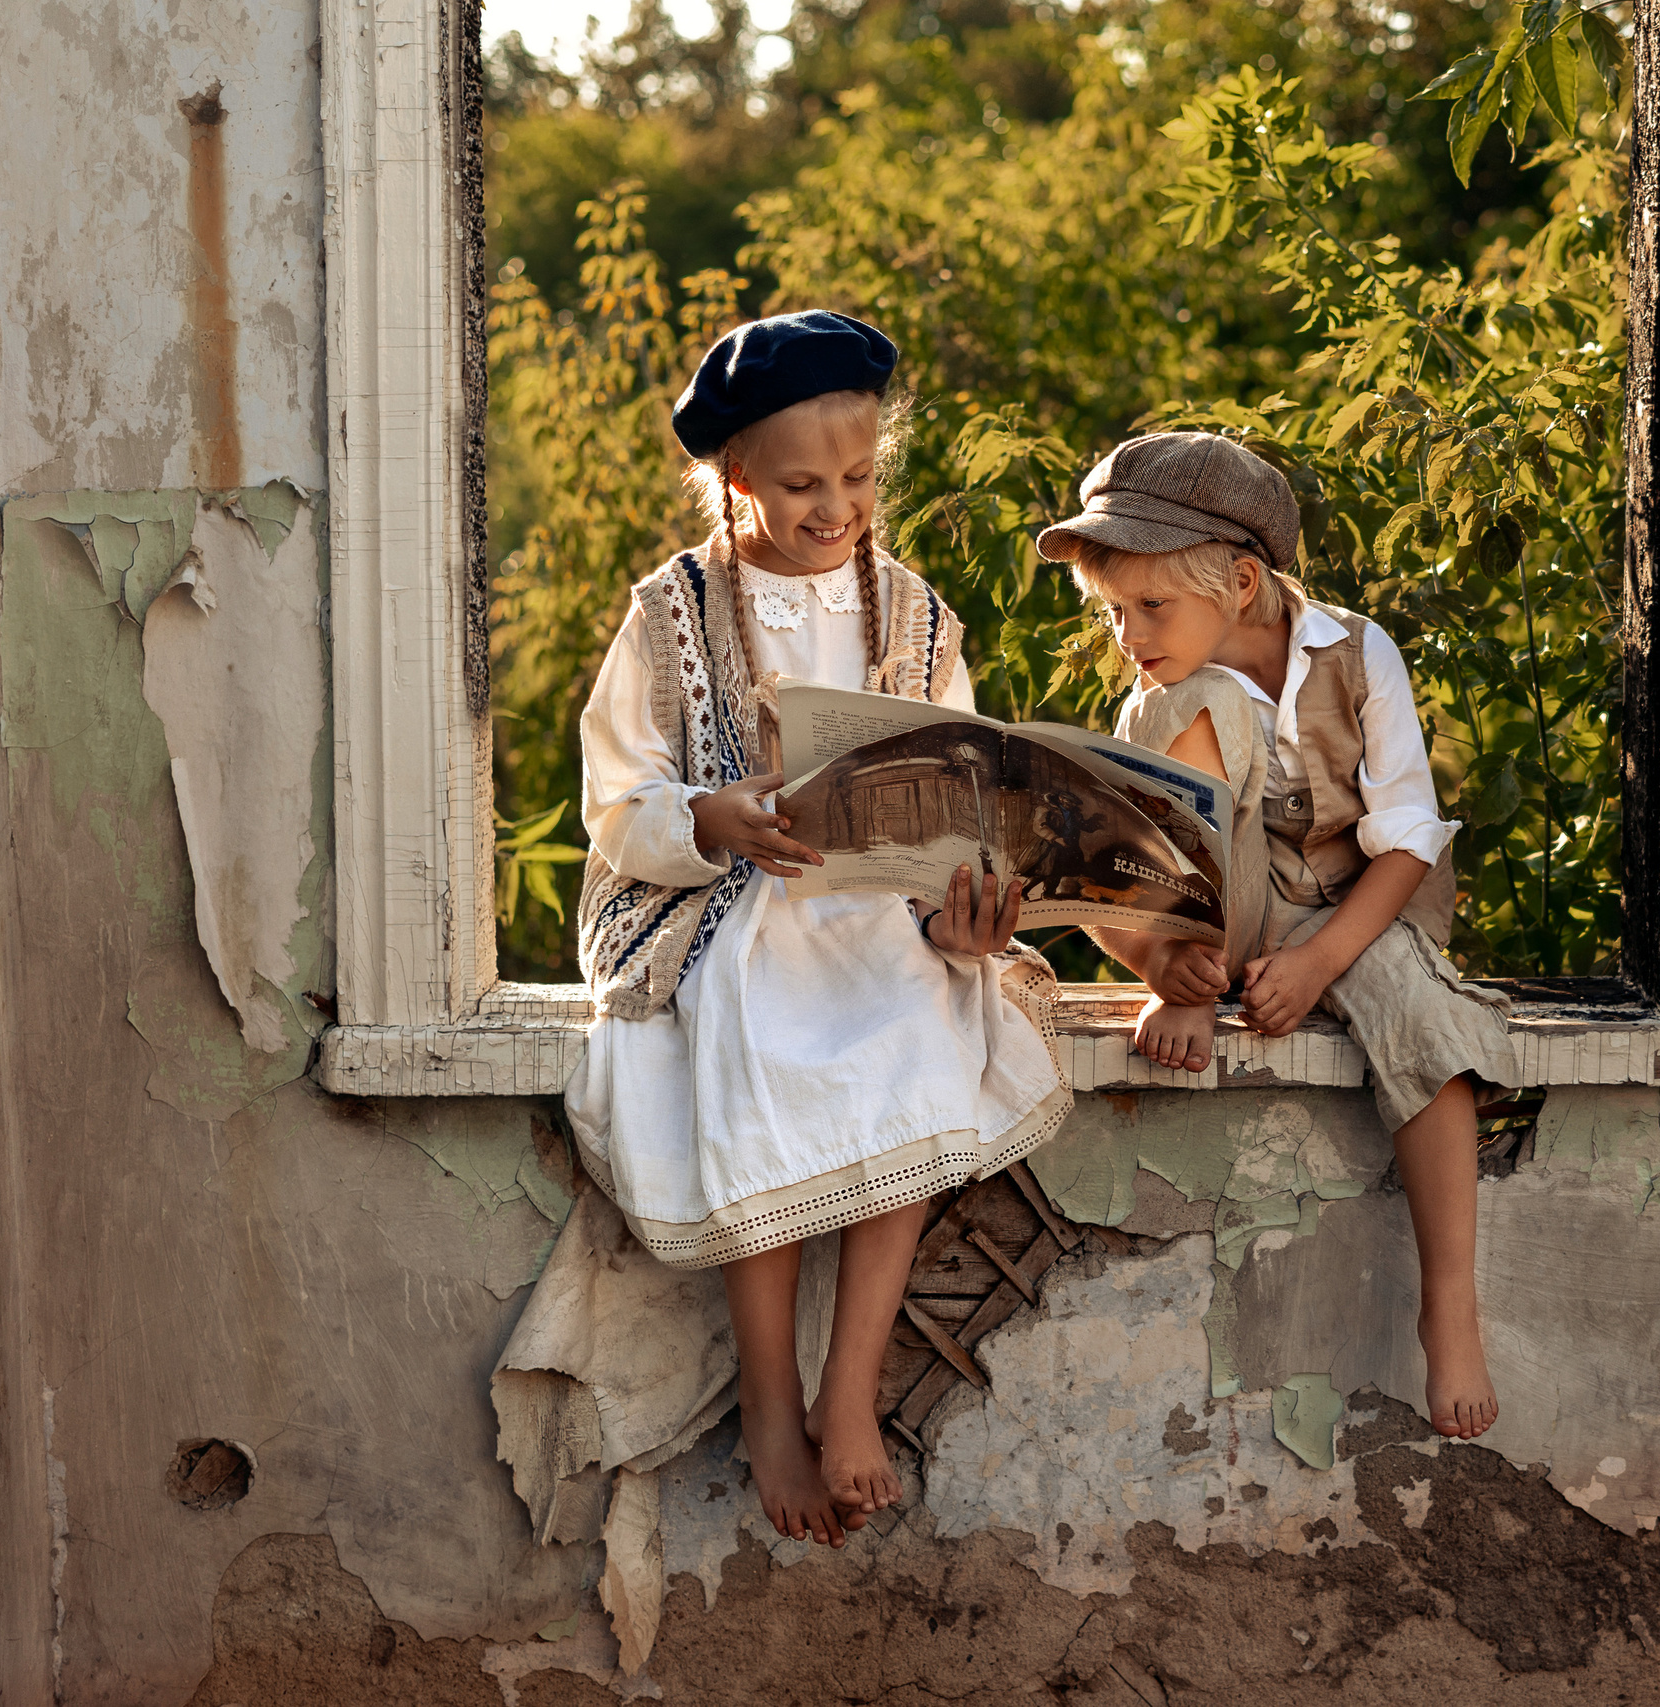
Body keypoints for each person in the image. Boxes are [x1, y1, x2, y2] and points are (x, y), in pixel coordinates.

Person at [564, 311, 1070, 1547]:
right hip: (728, 901)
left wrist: (964, 910)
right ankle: (772, 1400)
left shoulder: (913, 610)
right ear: (733, 477)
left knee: (919, 1018)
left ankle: (851, 1385)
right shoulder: (671, 613)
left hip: (880, 905)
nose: (833, 506)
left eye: (856, 478)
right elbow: (616, 799)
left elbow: (959, 783)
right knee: (754, 1031)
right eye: (799, 485)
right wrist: (712, 816)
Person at [1041, 430, 1521, 1444]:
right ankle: (1185, 977)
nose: (1127, 634)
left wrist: (1316, 963)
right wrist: (1174, 970)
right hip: (1227, 904)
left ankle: (1451, 1304)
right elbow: (1135, 870)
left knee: (1426, 1035)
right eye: (1114, 611)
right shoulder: (1169, 699)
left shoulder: (1357, 652)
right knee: (1104, 799)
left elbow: (1402, 844)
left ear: (1245, 580)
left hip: (1360, 907)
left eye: (1150, 606)